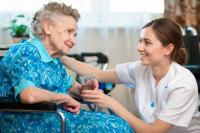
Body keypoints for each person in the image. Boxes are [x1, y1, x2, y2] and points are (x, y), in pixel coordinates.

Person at [0, 2, 133, 133]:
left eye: (74, 34)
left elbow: (74, 89)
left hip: (55, 117)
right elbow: (28, 95)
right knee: (114, 128)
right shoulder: (26, 51)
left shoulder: (54, 59)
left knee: (120, 124)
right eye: (69, 32)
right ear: (47, 27)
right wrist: (64, 98)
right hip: (28, 122)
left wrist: (87, 88)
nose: (73, 41)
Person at [61, 18, 200, 133]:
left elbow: (154, 131)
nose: (139, 48)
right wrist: (60, 56)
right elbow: (99, 74)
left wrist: (111, 103)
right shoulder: (141, 69)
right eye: (140, 41)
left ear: (168, 49)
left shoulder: (183, 83)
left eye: (147, 42)